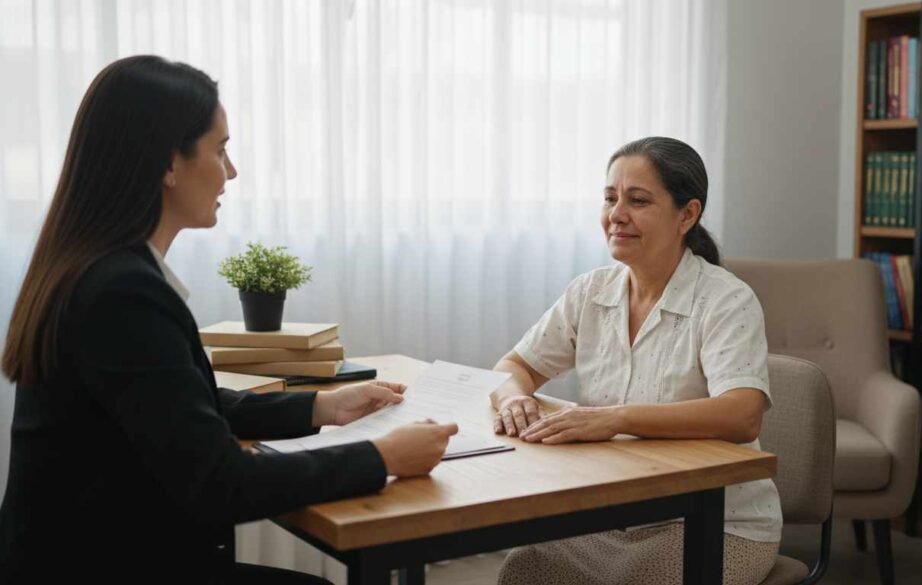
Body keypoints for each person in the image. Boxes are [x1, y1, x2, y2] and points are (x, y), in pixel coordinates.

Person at [0, 55, 458, 584]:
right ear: (168, 164)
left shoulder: (97, 267)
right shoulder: (121, 291)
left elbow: (184, 407)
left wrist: (321, 406)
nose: (232, 171)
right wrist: (381, 456)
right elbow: (219, 481)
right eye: (220, 151)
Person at [490, 137, 782, 585]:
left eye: (638, 200)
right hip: (614, 514)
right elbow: (514, 367)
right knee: (524, 568)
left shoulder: (726, 299)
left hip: (719, 523)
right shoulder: (590, 291)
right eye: (610, 199)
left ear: (687, 214)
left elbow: (743, 415)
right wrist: (514, 399)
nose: (616, 215)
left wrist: (615, 419)